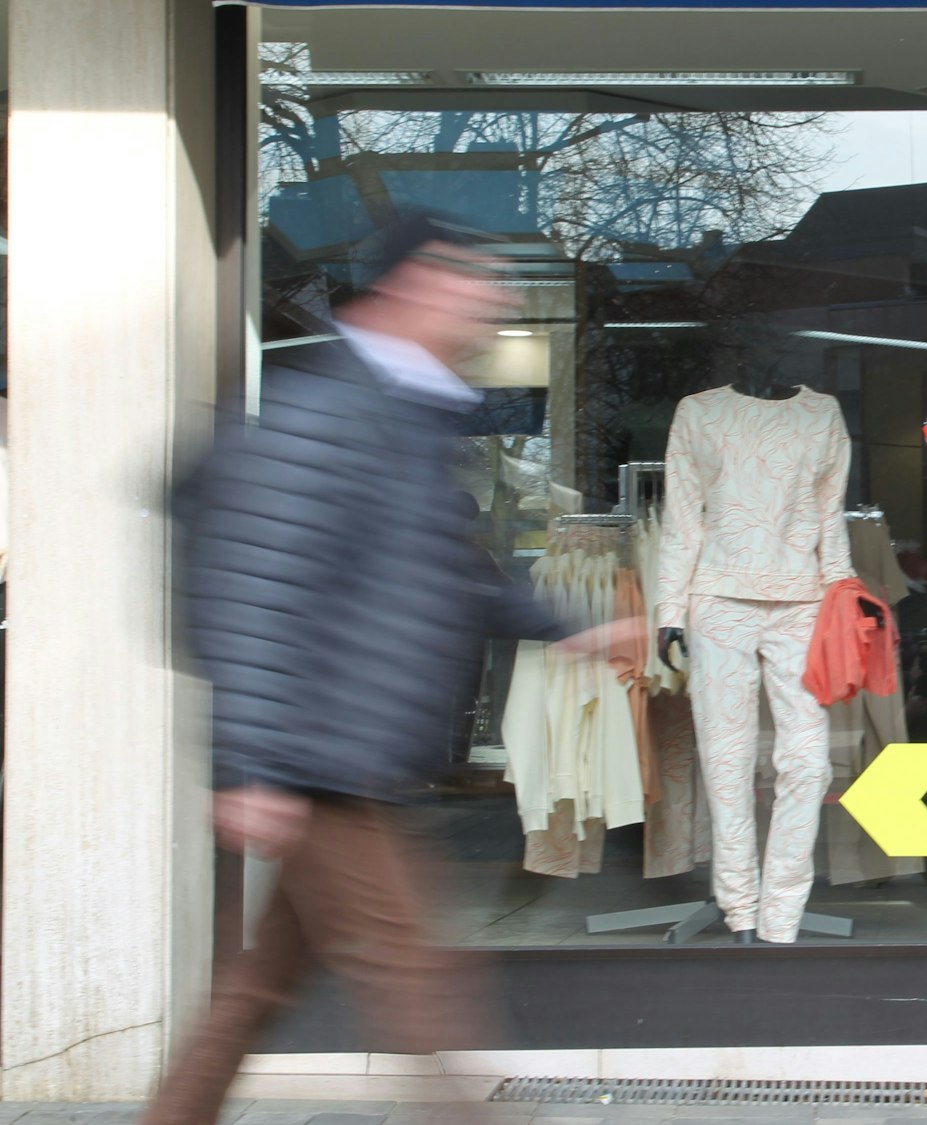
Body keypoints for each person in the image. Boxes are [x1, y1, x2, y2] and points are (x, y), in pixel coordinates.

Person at [148, 214, 645, 1125]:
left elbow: (448, 575)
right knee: (421, 984)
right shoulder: (323, 409)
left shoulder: (405, 414)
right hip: (320, 758)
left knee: (257, 988)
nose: (493, 301)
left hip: (354, 752)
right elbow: (249, 586)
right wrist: (248, 765)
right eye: (476, 279)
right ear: (414, 283)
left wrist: (568, 625)